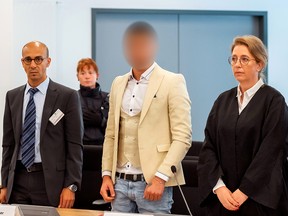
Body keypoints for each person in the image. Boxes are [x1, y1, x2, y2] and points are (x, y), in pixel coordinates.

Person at [100, 21, 192, 214]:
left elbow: (182, 137)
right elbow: (111, 134)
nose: (136, 50)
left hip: (153, 183)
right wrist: (106, 175)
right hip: (119, 184)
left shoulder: (173, 81)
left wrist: (160, 178)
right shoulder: (118, 83)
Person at [197, 35, 288, 216]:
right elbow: (209, 148)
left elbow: (271, 152)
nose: (237, 64)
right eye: (234, 59)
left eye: (244, 59)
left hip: (259, 201)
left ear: (260, 64)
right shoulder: (222, 100)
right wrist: (219, 187)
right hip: (223, 199)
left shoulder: (274, 101)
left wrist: (245, 190)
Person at [0, 41, 83, 208]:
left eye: (38, 59)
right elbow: (8, 144)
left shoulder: (67, 96)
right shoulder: (12, 97)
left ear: (48, 61)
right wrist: (4, 183)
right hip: (18, 179)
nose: (33, 65)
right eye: (28, 60)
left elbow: (75, 146)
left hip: (50, 181)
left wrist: (71, 186)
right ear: (22, 62)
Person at [77, 58, 109, 145]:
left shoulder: (108, 98)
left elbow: (116, 126)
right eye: (82, 73)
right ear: (77, 77)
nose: (87, 76)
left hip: (103, 146)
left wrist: (101, 121)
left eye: (90, 73)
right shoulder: (73, 98)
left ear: (97, 75)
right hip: (79, 147)